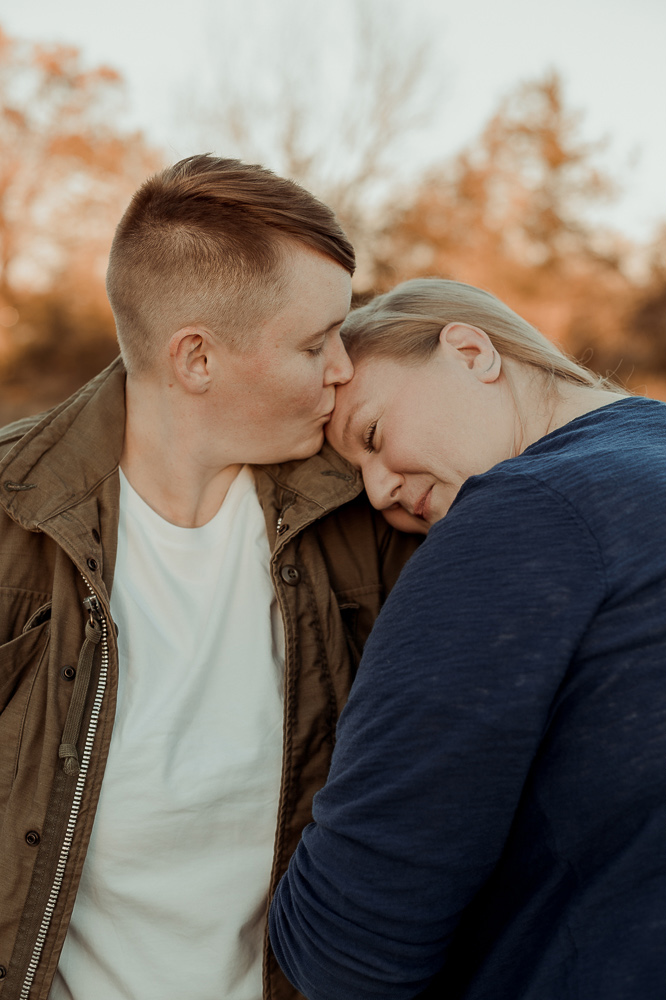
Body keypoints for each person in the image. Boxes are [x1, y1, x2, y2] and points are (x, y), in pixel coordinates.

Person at [0, 154, 418, 1000]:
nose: (343, 368)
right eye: (314, 343)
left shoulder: (370, 514)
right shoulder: (13, 521)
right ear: (196, 359)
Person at [266, 278, 666, 999]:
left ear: (472, 351)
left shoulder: (521, 518)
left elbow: (347, 947)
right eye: (360, 480)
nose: (382, 493)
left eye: (373, 436)